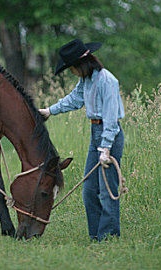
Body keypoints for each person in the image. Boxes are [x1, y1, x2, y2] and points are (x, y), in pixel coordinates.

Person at [39, 39, 125, 242]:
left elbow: (111, 119)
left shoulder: (107, 81)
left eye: (71, 68)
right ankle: (95, 235)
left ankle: (109, 238)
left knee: (107, 191)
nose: (71, 72)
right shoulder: (86, 80)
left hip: (109, 135)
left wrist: (105, 148)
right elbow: (74, 99)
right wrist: (50, 111)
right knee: (89, 190)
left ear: (81, 65)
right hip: (96, 132)